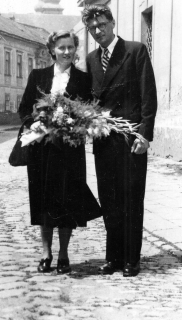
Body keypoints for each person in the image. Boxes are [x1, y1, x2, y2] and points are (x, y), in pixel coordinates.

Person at [82, 5, 157, 277]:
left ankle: (131, 259)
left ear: (112, 23)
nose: (98, 31)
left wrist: (145, 135)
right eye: (92, 28)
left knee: (131, 200)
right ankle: (112, 258)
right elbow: (90, 101)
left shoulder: (135, 51)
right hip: (104, 142)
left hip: (130, 140)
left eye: (102, 24)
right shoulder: (91, 59)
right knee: (109, 200)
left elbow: (148, 95)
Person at [18, 30, 101, 274]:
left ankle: (64, 253)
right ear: (52, 49)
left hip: (70, 151)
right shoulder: (38, 76)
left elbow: (89, 113)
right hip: (42, 151)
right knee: (44, 200)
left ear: (76, 50)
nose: (66, 52)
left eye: (70, 47)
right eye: (61, 47)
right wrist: (34, 121)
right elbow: (24, 108)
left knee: (68, 201)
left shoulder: (83, 80)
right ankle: (46, 253)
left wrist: (77, 124)